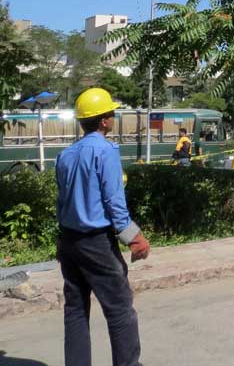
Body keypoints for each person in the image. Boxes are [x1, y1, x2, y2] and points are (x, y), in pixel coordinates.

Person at [56, 87, 150, 366]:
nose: (113, 117)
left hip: (69, 241)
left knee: (75, 310)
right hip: (96, 242)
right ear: (104, 121)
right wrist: (133, 237)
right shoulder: (106, 151)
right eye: (112, 113)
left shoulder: (65, 155)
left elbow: (62, 201)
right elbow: (114, 201)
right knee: (120, 309)